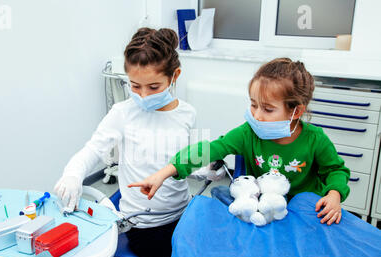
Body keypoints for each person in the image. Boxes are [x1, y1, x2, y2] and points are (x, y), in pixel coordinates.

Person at [54, 27, 221, 257]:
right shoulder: (123, 113)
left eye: (153, 86)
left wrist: (208, 170)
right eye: (135, 86)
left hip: (183, 213)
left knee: (217, 252)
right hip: (144, 225)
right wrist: (73, 174)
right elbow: (92, 150)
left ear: (175, 75)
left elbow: (186, 161)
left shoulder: (187, 113)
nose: (143, 95)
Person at [128, 57, 350, 226]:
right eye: (253, 104)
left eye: (268, 109)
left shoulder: (315, 140)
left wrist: (334, 195)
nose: (257, 115)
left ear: (297, 111)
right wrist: (165, 172)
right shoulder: (248, 133)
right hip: (263, 213)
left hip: (305, 214)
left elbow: (336, 171)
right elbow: (210, 149)